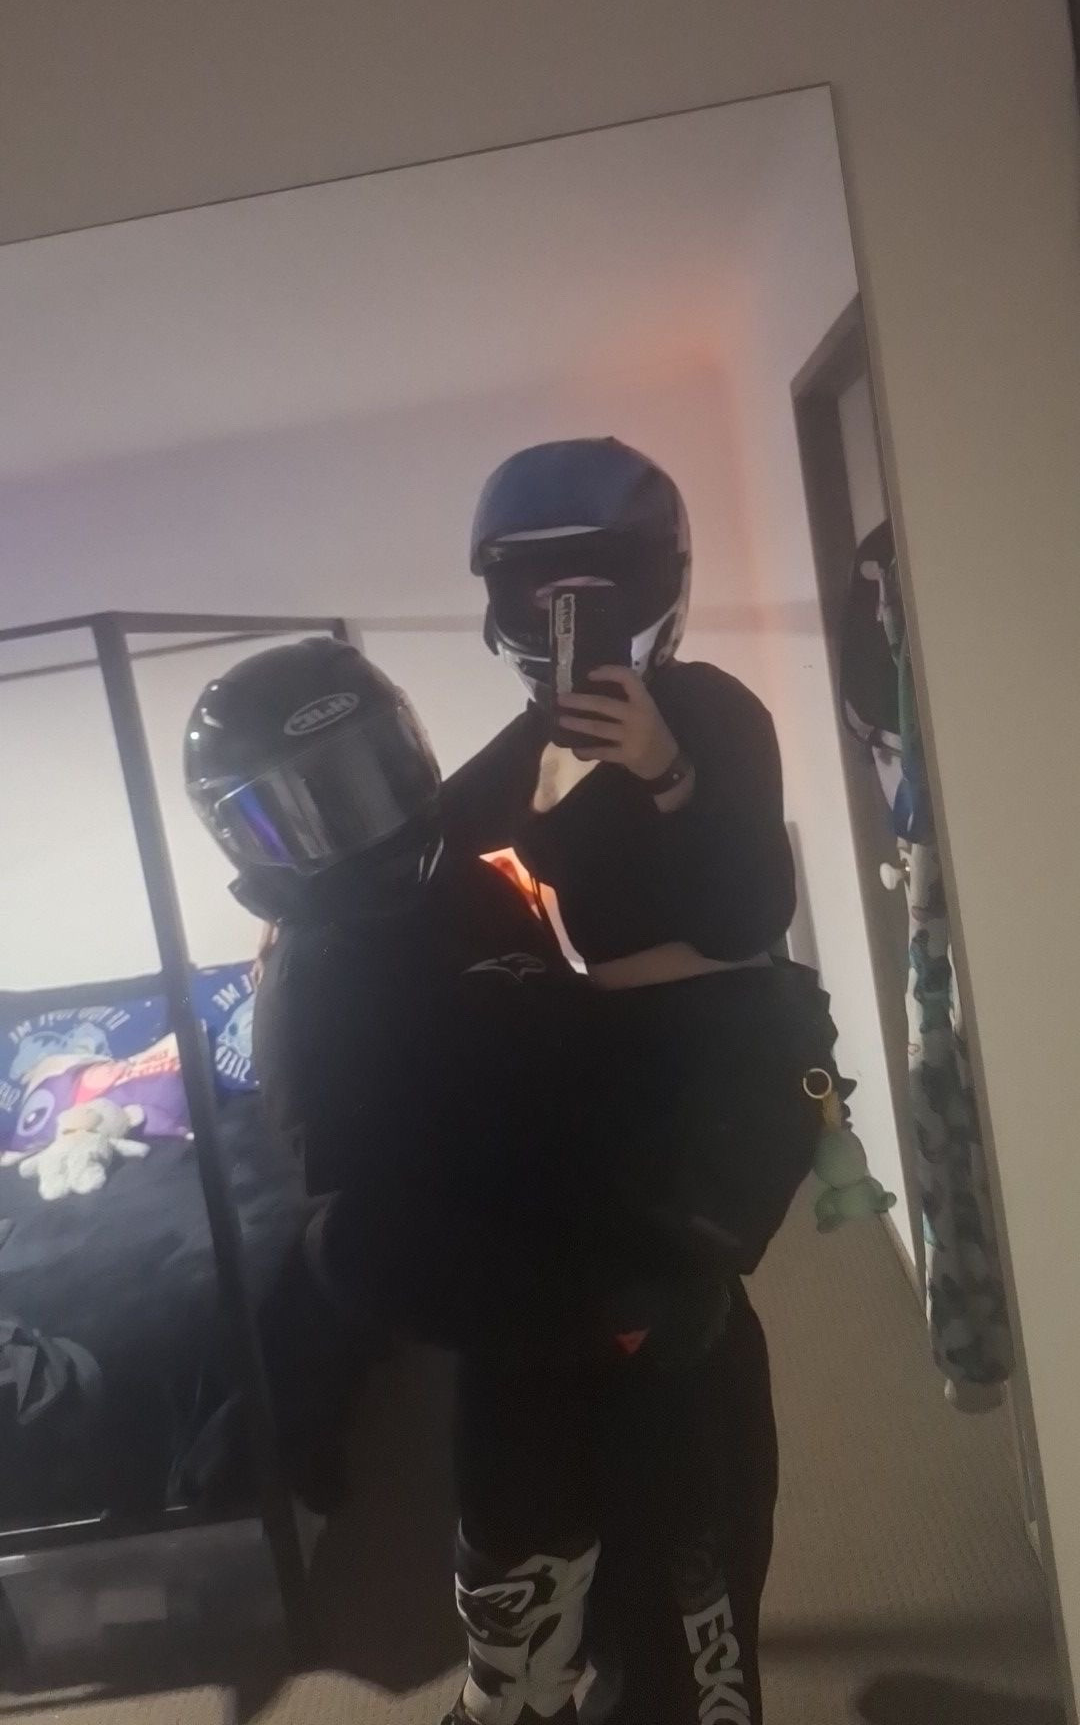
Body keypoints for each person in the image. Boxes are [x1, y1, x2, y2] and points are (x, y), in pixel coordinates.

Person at [184, 637, 750, 1725]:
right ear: (244, 840)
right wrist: (602, 1309)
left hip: (611, 1247)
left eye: (367, 779)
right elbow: (364, 1247)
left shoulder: (443, 869)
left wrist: (555, 703)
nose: (359, 824)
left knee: (672, 1585)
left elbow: (465, 799)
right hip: (545, 1312)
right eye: (306, 812)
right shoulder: (319, 990)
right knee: (560, 1610)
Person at [444, 436, 844, 1718]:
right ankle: (620, 1642)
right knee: (613, 1352)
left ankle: (696, 1650)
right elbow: (444, 846)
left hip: (721, 1063)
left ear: (653, 581)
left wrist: (667, 769)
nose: (565, 614)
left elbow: (749, 911)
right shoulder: (542, 737)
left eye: (594, 584)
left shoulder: (715, 710)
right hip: (621, 1067)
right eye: (539, 590)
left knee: (680, 1341)